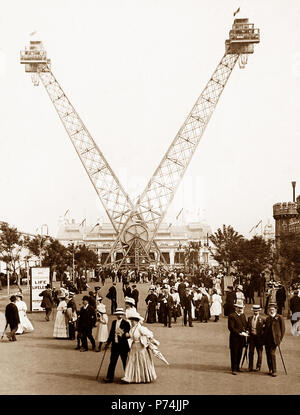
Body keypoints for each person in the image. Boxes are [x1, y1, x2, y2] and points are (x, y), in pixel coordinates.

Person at [121, 310, 158, 384]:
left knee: (141, 361)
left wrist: (146, 340)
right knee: (132, 361)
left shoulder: (141, 328)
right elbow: (129, 336)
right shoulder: (132, 329)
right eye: (131, 321)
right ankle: (130, 377)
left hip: (141, 347)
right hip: (134, 347)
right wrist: (122, 334)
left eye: (133, 321)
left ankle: (144, 377)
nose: (132, 322)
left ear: (137, 321)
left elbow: (150, 334)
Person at [103, 308, 131, 383]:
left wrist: (121, 333)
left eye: (121, 314)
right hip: (115, 345)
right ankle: (109, 377)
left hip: (123, 346)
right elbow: (111, 334)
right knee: (112, 362)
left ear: (122, 315)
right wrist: (108, 343)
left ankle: (128, 377)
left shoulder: (126, 323)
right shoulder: (114, 322)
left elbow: (128, 334)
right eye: (118, 314)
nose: (119, 315)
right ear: (116, 315)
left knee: (125, 362)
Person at [263, 303, 285, 377]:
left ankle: (274, 370)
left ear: (275, 310)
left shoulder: (279, 317)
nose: (271, 311)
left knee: (272, 354)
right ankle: (270, 369)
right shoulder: (268, 318)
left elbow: (283, 329)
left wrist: (280, 339)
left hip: (274, 340)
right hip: (267, 340)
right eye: (270, 309)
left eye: (273, 309)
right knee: (268, 354)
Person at [228, 301, 248, 375]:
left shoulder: (243, 315)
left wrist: (246, 331)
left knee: (240, 352)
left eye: (241, 308)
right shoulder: (232, 316)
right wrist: (239, 333)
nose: (240, 309)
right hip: (235, 338)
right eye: (239, 308)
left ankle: (238, 367)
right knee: (234, 353)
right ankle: (233, 368)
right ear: (236, 308)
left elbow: (245, 324)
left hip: (242, 338)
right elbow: (231, 327)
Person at [247, 305, 265, 372]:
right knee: (250, 352)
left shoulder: (262, 319)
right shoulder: (250, 318)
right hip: (252, 337)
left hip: (259, 338)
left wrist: (263, 337)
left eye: (257, 311)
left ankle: (258, 366)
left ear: (259, 311)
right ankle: (250, 366)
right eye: (254, 311)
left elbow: (264, 329)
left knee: (259, 352)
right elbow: (247, 327)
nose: (255, 312)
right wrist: (247, 331)